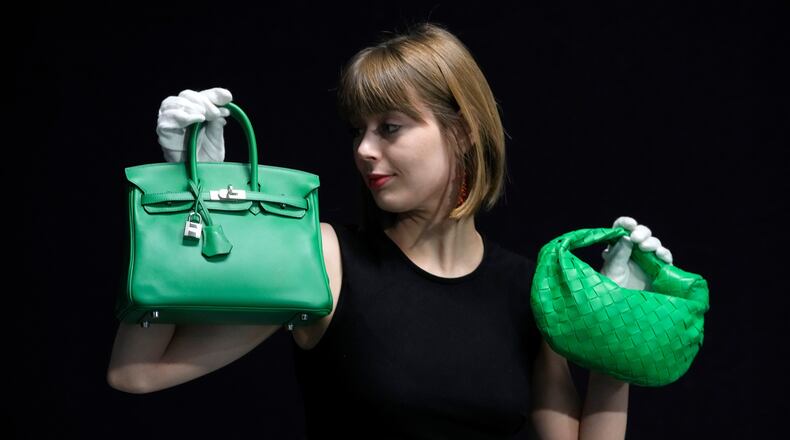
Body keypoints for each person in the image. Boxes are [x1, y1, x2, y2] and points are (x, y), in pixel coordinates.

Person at [107, 22, 674, 439]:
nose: (363, 150)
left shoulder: (530, 291)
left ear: (463, 132)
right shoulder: (325, 259)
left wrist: (616, 334)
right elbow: (137, 371)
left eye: (391, 127)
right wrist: (194, 195)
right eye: (359, 129)